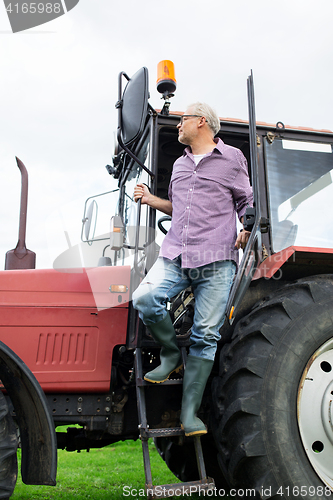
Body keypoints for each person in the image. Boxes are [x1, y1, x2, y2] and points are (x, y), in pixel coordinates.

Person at [132, 102, 253, 437]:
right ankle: (170, 354)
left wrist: (246, 227)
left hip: (216, 258)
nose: (177, 125)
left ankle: (189, 416)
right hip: (176, 254)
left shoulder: (232, 160)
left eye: (181, 119)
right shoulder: (180, 165)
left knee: (205, 335)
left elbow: (246, 202)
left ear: (201, 122)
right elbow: (179, 207)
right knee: (144, 296)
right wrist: (152, 200)